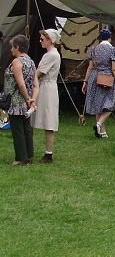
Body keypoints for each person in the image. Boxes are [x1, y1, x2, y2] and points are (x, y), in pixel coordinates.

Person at [4, 34, 39, 165]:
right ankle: (29, 155)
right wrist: (32, 100)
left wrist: (27, 98)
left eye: (12, 47)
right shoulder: (31, 62)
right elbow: (36, 84)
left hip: (17, 100)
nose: (11, 50)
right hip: (28, 101)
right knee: (26, 129)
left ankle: (21, 158)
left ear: (17, 47)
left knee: (18, 130)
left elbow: (20, 83)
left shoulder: (17, 62)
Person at [82, 28, 115, 138]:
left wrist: (85, 82)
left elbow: (90, 67)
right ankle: (99, 124)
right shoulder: (112, 50)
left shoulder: (94, 49)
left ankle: (102, 132)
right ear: (110, 38)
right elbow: (114, 69)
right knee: (109, 104)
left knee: (97, 104)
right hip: (107, 77)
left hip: (94, 77)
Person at [32, 29, 62, 163]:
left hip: (47, 88)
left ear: (50, 40)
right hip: (47, 86)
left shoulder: (51, 55)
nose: (40, 41)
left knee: (49, 120)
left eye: (42, 39)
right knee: (37, 119)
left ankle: (48, 154)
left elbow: (39, 73)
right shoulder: (51, 54)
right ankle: (31, 150)